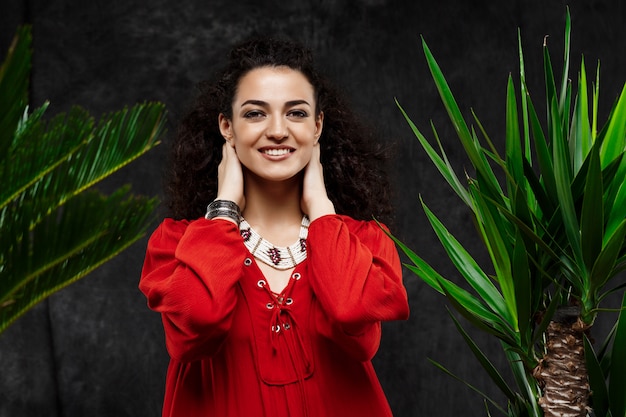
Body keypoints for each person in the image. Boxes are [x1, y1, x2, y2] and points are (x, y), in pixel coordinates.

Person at [139, 36, 410, 417]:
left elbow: (351, 313)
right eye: (255, 113)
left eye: (296, 113)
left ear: (318, 126)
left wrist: (320, 207)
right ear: (226, 127)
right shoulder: (176, 244)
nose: (278, 130)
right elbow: (198, 317)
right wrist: (225, 208)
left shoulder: (364, 241)